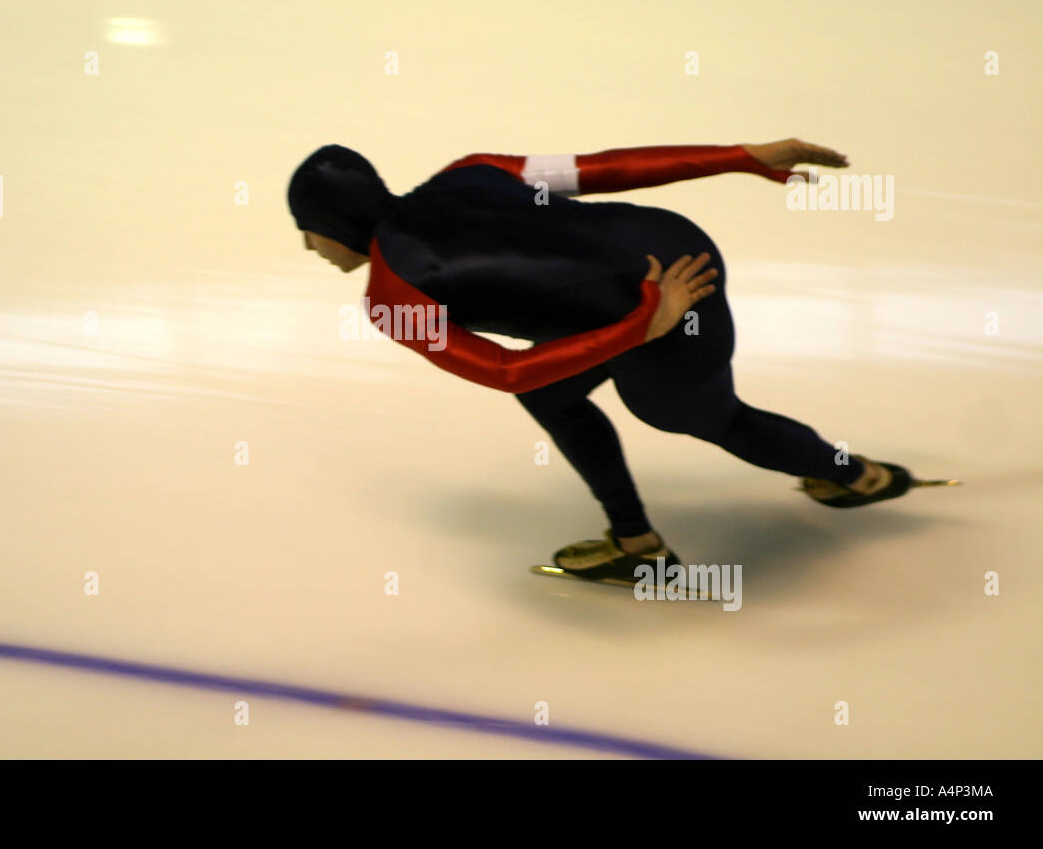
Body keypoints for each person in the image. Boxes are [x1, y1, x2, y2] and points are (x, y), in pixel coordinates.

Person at [287, 139, 913, 582]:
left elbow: (505, 371)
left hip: (664, 304)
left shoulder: (392, 298)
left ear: (333, 223)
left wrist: (642, 325)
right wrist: (736, 157)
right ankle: (636, 542)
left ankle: (855, 475)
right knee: (550, 393)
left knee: (703, 418)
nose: (306, 244)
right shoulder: (470, 170)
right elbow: (599, 171)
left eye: (306, 228)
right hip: (669, 245)